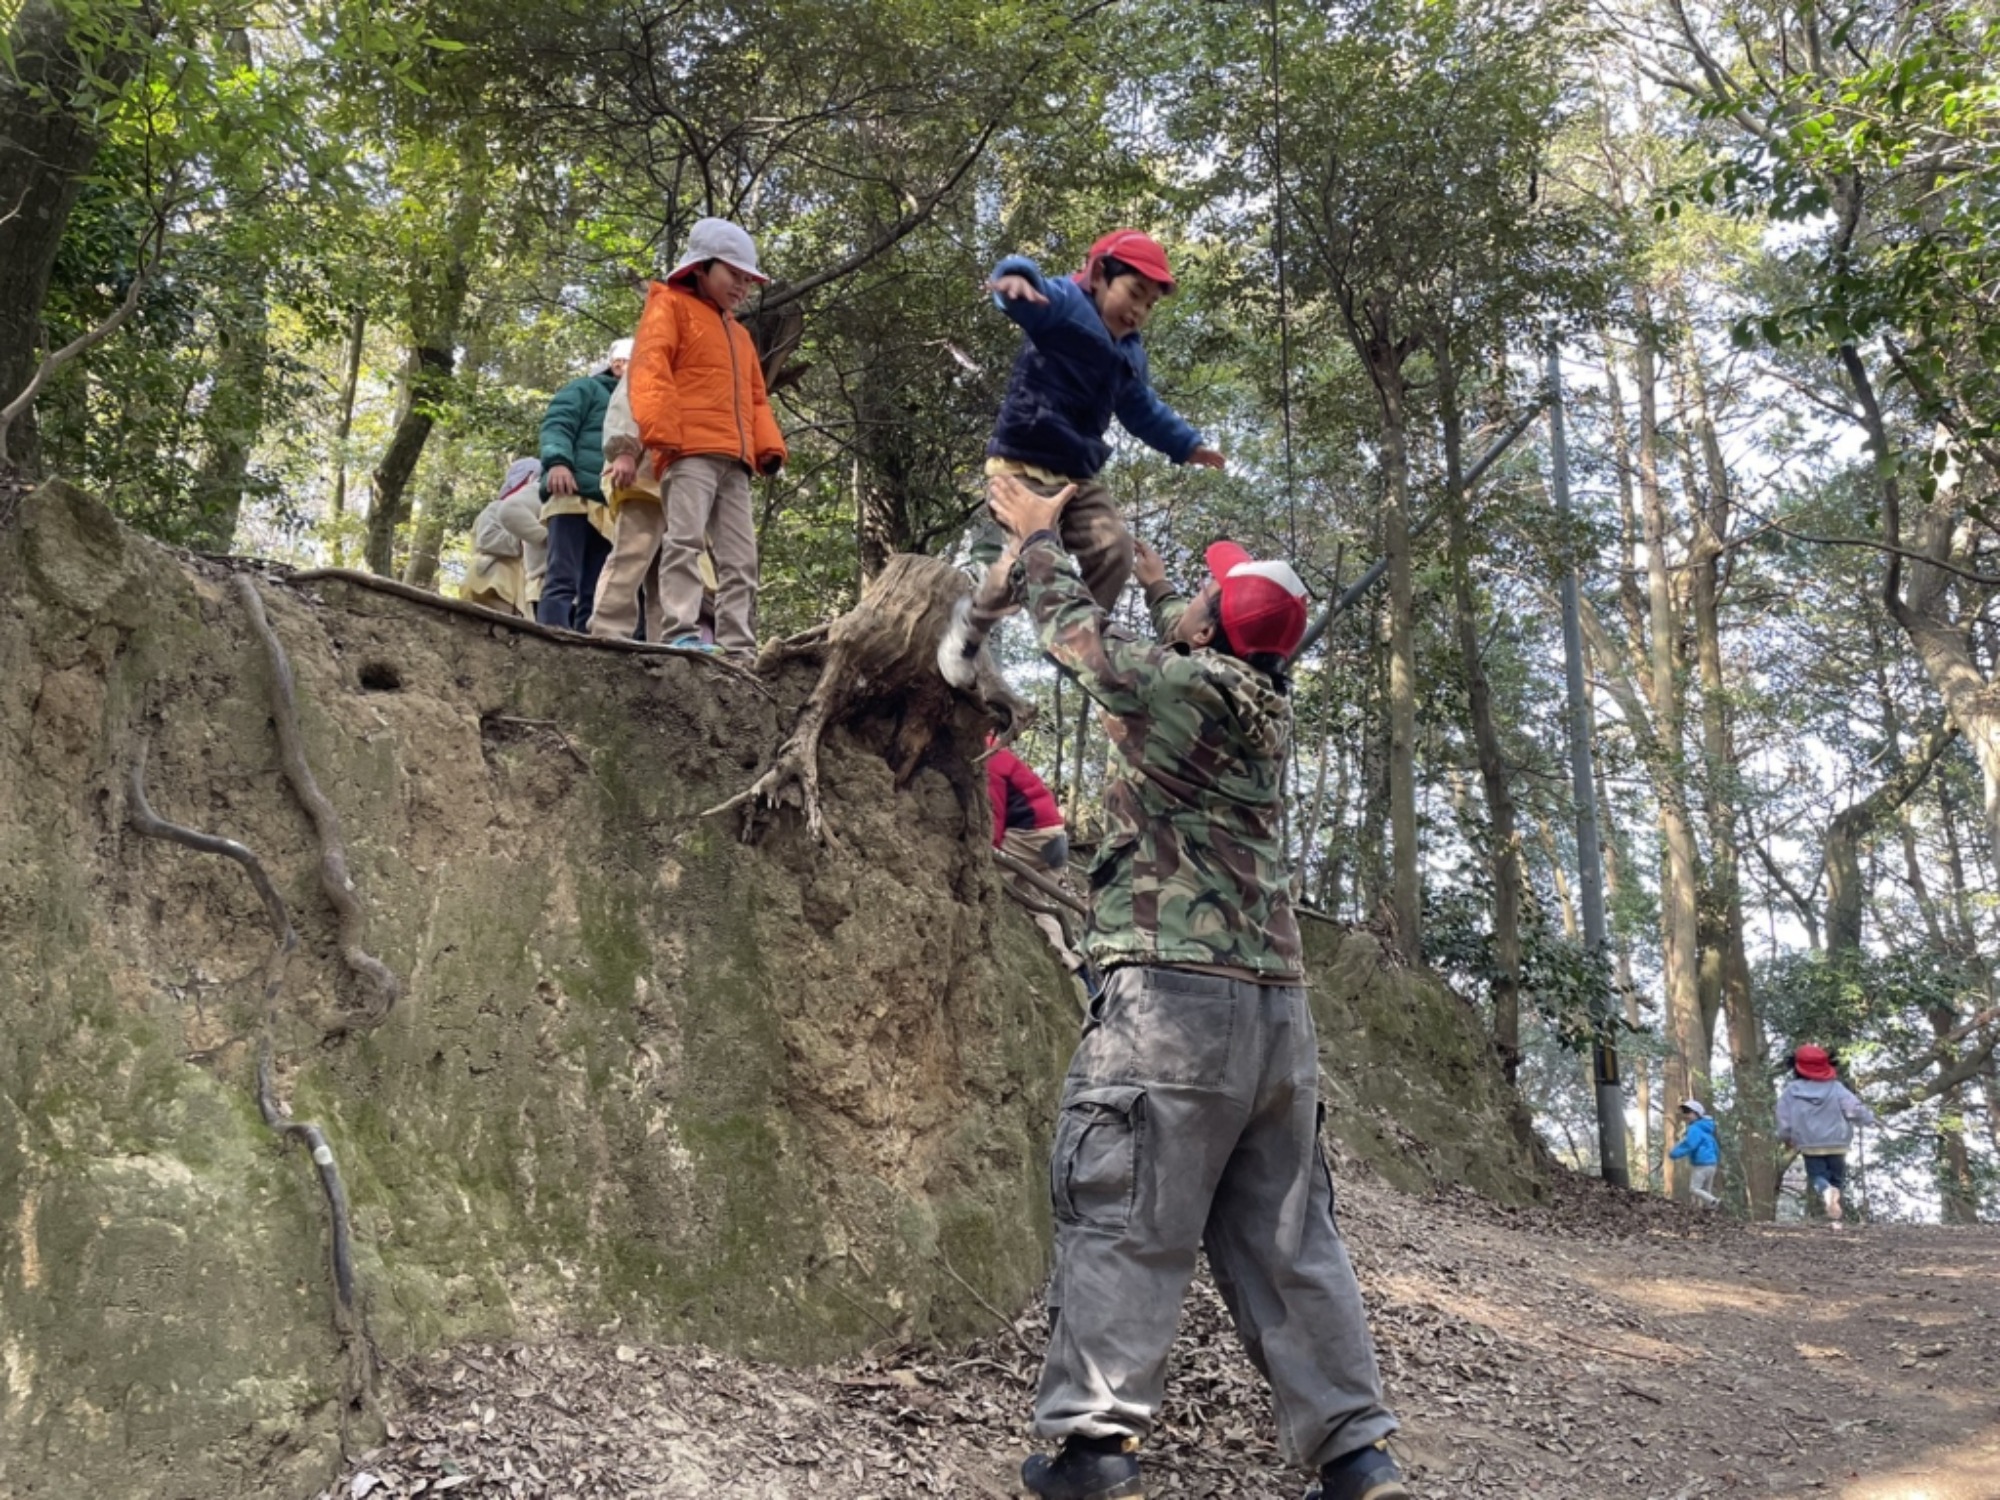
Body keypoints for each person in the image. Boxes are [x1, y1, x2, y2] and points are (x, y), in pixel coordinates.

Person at [986, 471, 1407, 1500]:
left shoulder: (1178, 690)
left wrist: (1038, 541)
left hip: (1171, 1007)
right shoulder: (1262, 703)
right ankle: (1355, 1454)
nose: (1188, 597)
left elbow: (1081, 644)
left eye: (1203, 596)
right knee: (1289, 1240)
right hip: (1275, 1018)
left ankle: (1094, 1449)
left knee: (1124, 1212)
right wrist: (1169, 586)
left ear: (1211, 633)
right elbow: (1206, 646)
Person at [937, 229, 1225, 689]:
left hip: (1078, 476)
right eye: (1134, 293)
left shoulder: (1129, 355)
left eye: (1149, 305)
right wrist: (1014, 280)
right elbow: (1027, 292)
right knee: (1021, 562)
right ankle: (971, 626)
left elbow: (1142, 409)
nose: (1139, 310)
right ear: (1099, 275)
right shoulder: (1066, 304)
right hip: (1022, 464)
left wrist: (1185, 444)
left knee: (1114, 548)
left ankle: (1077, 636)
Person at [628, 217, 787, 660]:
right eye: (733, 274)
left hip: (737, 460)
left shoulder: (740, 334)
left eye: (748, 279)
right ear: (700, 267)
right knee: (684, 542)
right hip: (689, 450)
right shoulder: (669, 305)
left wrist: (767, 447)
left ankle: (738, 646)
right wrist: (661, 430)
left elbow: (756, 397)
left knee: (741, 558)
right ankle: (680, 631)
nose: (742, 286)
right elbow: (650, 366)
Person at [536, 339, 631, 632]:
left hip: (608, 503)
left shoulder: (634, 404)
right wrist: (558, 462)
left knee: (597, 587)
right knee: (561, 577)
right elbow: (558, 424)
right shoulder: (585, 389)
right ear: (618, 364)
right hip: (572, 494)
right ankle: (548, 637)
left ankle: (586, 646)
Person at [987, 738, 1085, 974]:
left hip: (1032, 837)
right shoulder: (1003, 754)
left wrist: (987, 847)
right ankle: (1070, 965)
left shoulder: (989, 759)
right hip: (1056, 840)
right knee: (1038, 904)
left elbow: (994, 815)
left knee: (987, 876)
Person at [1777, 1044, 1875, 1229]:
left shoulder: (1792, 1091)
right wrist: (1868, 1119)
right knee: (1837, 1178)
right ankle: (1835, 1217)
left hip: (1810, 1144)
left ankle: (1826, 1192)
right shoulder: (1836, 1088)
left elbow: (1784, 1118)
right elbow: (1853, 1109)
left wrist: (1786, 1137)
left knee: (1817, 1176)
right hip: (1838, 1143)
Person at [461, 458, 545, 618]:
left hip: (518, 590)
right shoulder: (496, 508)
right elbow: (487, 539)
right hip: (492, 580)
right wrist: (525, 538)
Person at [1668, 1099, 1720, 1207]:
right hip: (1712, 1165)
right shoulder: (1707, 1129)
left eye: (1688, 1112)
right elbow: (1715, 1147)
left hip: (1701, 1164)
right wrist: (1716, 1159)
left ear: (1697, 1114)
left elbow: (1690, 1144)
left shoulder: (1695, 1128)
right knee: (1706, 1190)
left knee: (1694, 1188)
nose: (1685, 1115)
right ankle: (1712, 1211)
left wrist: (1674, 1153)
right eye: (1684, 1112)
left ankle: (1714, 1201)